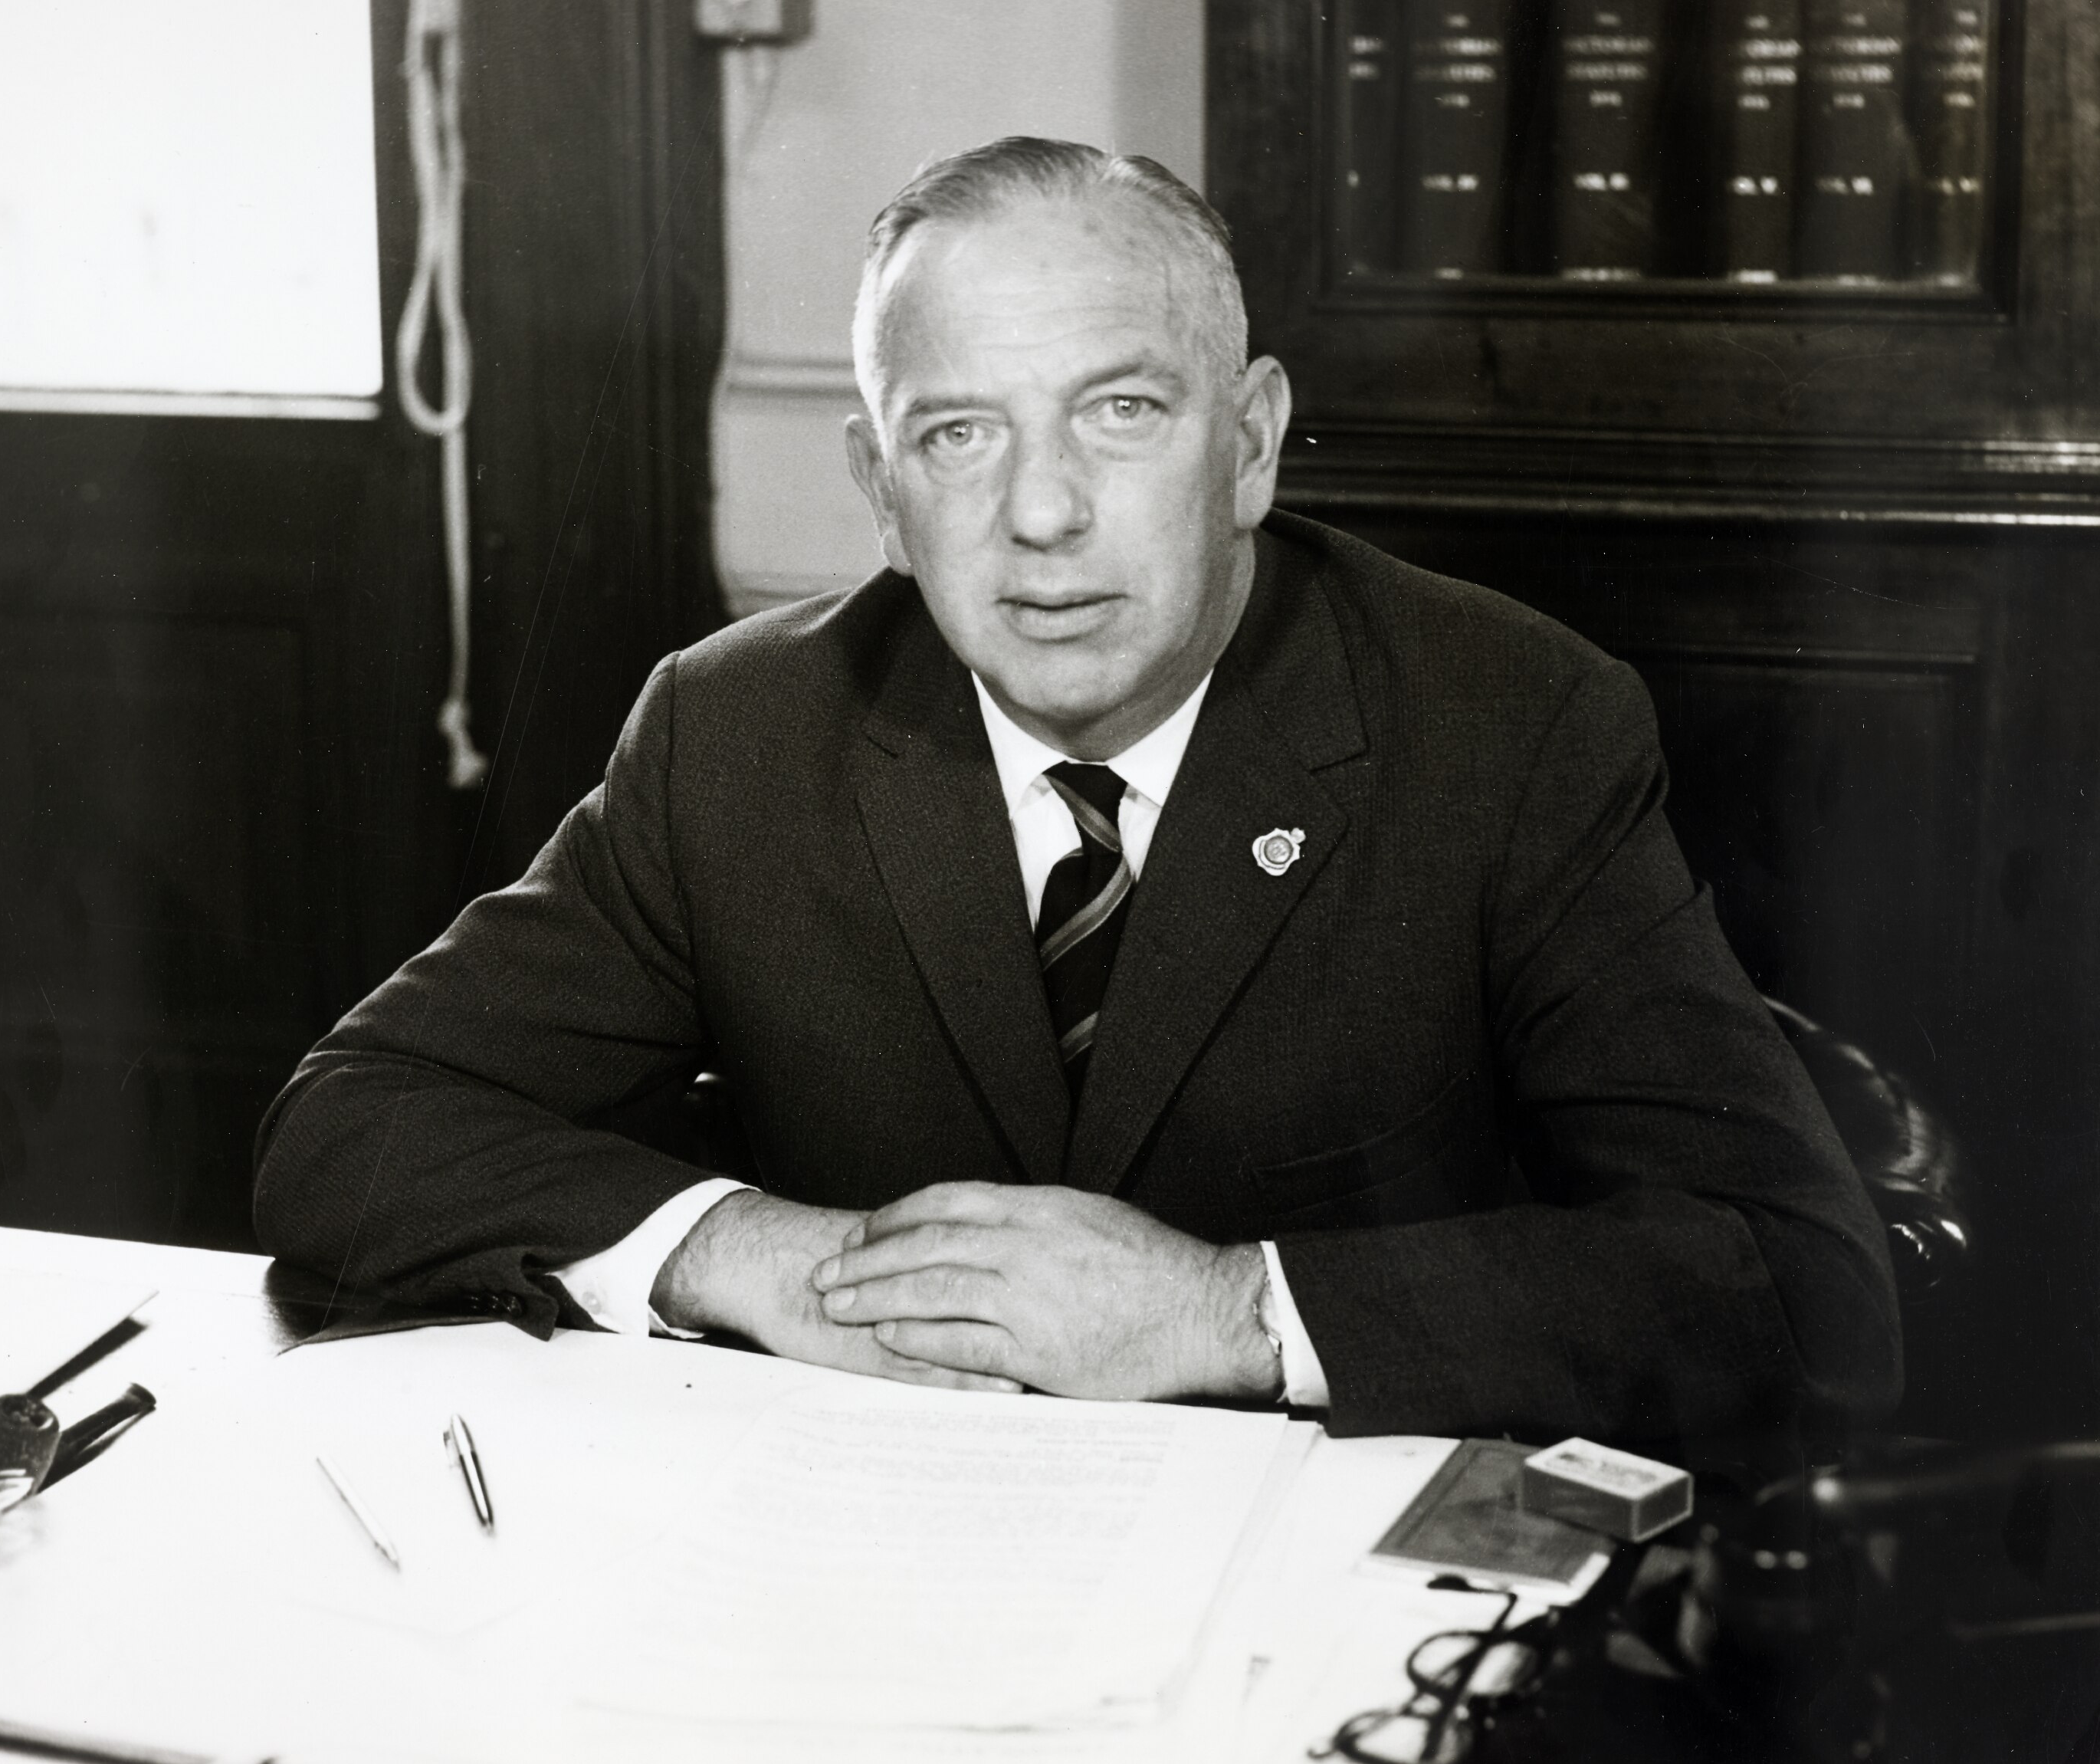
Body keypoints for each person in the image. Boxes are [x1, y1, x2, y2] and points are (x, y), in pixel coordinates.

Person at [254, 137, 1901, 1446]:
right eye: (958, 435)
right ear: (880, 488)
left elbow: (1805, 1293)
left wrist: (1227, 1311)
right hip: (874, 1566)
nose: (1042, 514)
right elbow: (351, 1120)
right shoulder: (736, 734)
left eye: (1121, 411)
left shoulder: (1509, 726)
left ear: (1248, 444)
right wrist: (754, 1254)